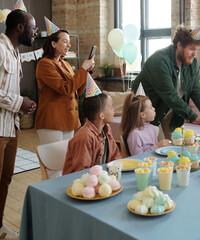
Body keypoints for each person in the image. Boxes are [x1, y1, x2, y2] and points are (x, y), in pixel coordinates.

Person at [131, 24, 200, 140]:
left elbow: (196, 90)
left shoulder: (193, 63)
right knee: (153, 149)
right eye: (191, 49)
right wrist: (193, 117)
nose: (194, 54)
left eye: (197, 50)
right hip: (150, 111)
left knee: (176, 146)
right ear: (179, 45)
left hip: (173, 111)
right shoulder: (160, 60)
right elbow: (170, 95)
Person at [35, 21, 95, 177]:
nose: (69, 45)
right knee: (54, 167)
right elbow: (65, 88)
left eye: (69, 42)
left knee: (67, 163)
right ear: (53, 43)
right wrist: (82, 69)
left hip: (68, 119)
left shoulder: (65, 64)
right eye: (65, 41)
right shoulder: (44, 64)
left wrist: (86, 73)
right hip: (52, 120)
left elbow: (76, 90)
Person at [0, 9, 37, 238]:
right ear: (20, 27)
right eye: (32, 28)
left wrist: (24, 105)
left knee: (5, 180)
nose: (35, 32)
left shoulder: (14, 52)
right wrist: (18, 101)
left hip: (10, 127)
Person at [63, 90, 121, 175]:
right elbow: (81, 172)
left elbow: (115, 156)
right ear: (101, 115)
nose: (113, 110)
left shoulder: (106, 128)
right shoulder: (85, 136)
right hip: (81, 183)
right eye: (111, 107)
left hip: (102, 178)